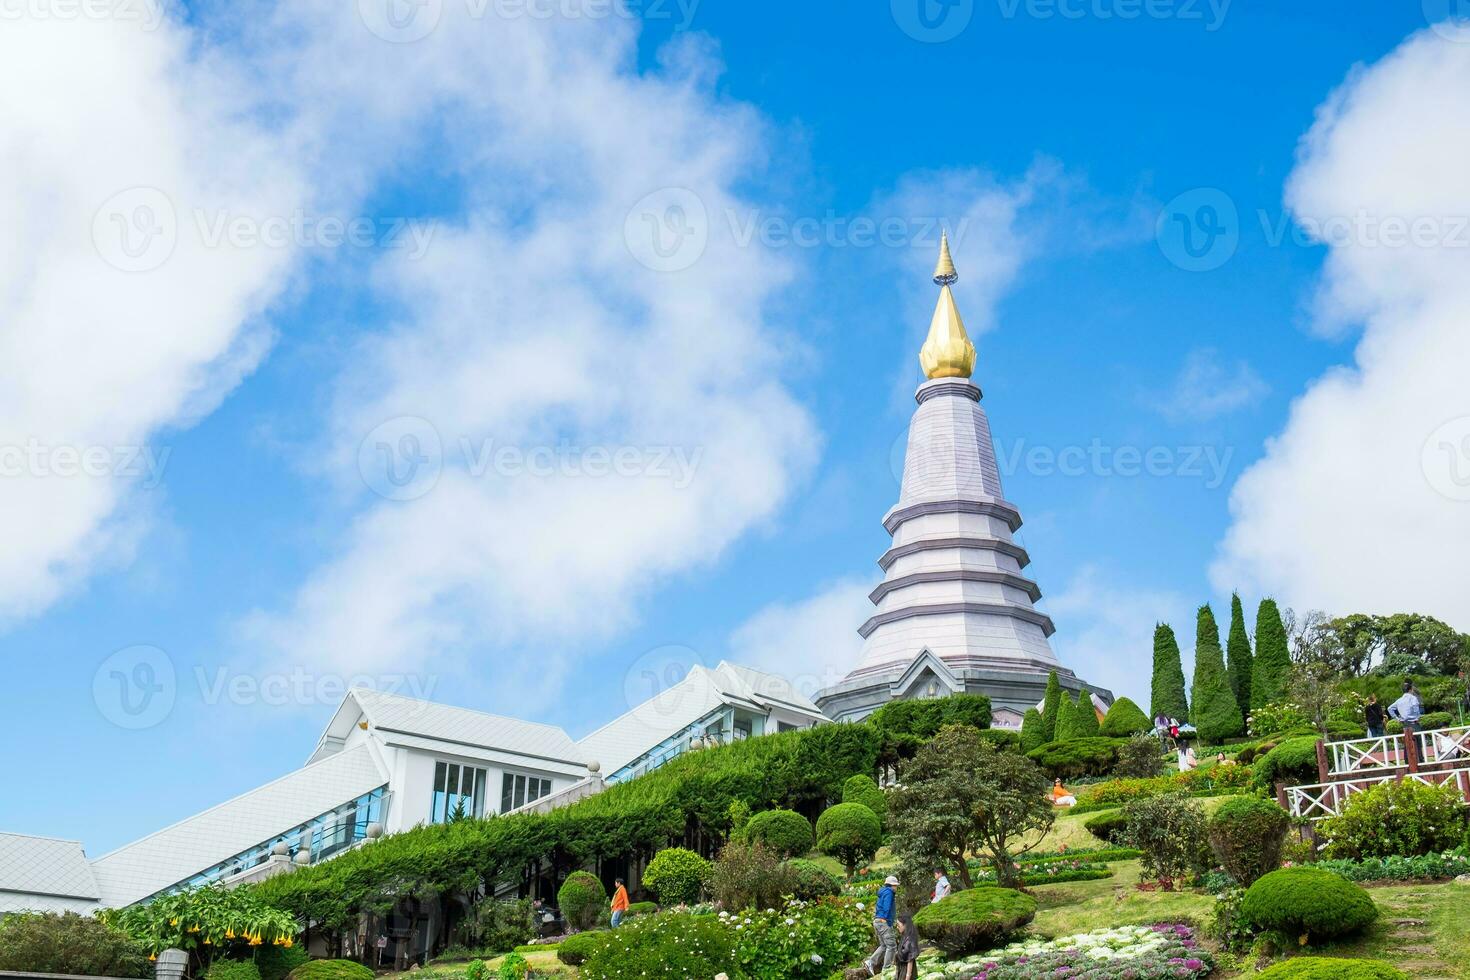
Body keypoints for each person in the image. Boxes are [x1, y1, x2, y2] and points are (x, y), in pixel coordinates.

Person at [864, 875, 898, 976]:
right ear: (891, 885)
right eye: (895, 885)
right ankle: (887, 969)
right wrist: (888, 921)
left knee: (884, 945)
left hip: (877, 921)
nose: (896, 887)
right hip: (883, 922)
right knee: (891, 946)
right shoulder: (889, 892)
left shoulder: (883, 892)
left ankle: (870, 962)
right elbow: (886, 907)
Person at [893, 914, 920, 980]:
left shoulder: (910, 940)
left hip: (906, 970)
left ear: (905, 925)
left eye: (898, 925)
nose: (897, 927)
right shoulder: (905, 937)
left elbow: (910, 960)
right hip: (901, 968)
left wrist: (907, 976)